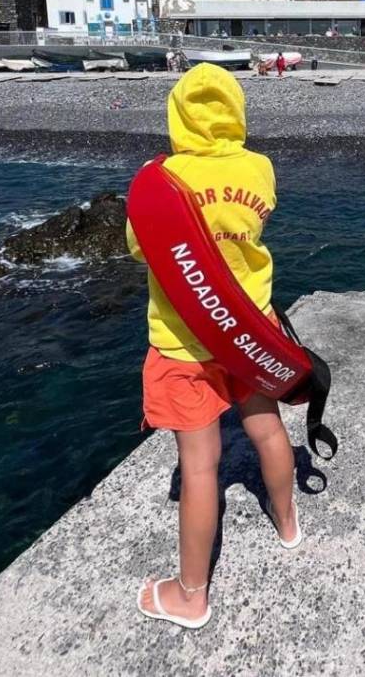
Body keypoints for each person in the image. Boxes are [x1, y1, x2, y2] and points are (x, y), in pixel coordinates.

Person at [128, 64, 300, 630]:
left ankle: (190, 595)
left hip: (184, 345)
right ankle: (288, 525)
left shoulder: (161, 181)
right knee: (269, 430)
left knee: (200, 468)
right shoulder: (260, 168)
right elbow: (258, 224)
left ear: (177, 115)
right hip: (250, 332)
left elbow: (141, 250)